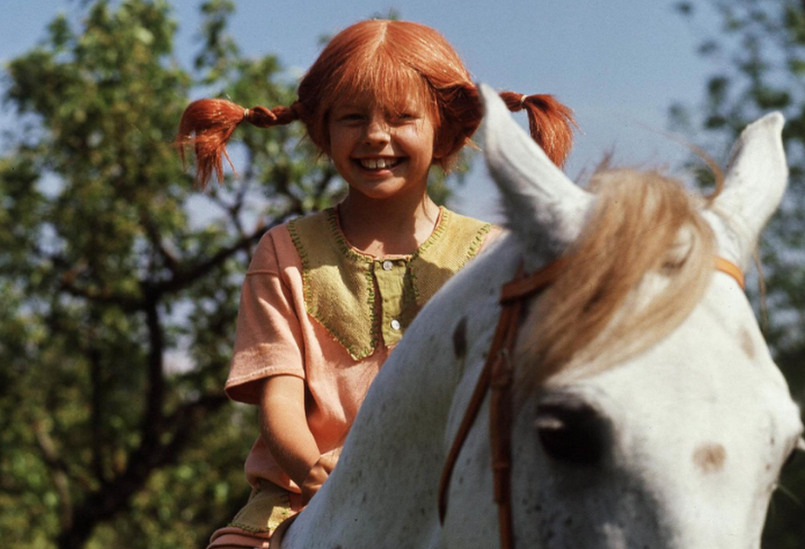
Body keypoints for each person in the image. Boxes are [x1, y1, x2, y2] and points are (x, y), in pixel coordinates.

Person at [176, 19, 576, 549]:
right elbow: (280, 399)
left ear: (446, 129)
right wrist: (316, 469)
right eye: (352, 118)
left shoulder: (493, 256)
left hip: (449, 491)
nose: (375, 136)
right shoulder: (285, 252)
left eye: (403, 117)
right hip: (299, 498)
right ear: (324, 129)